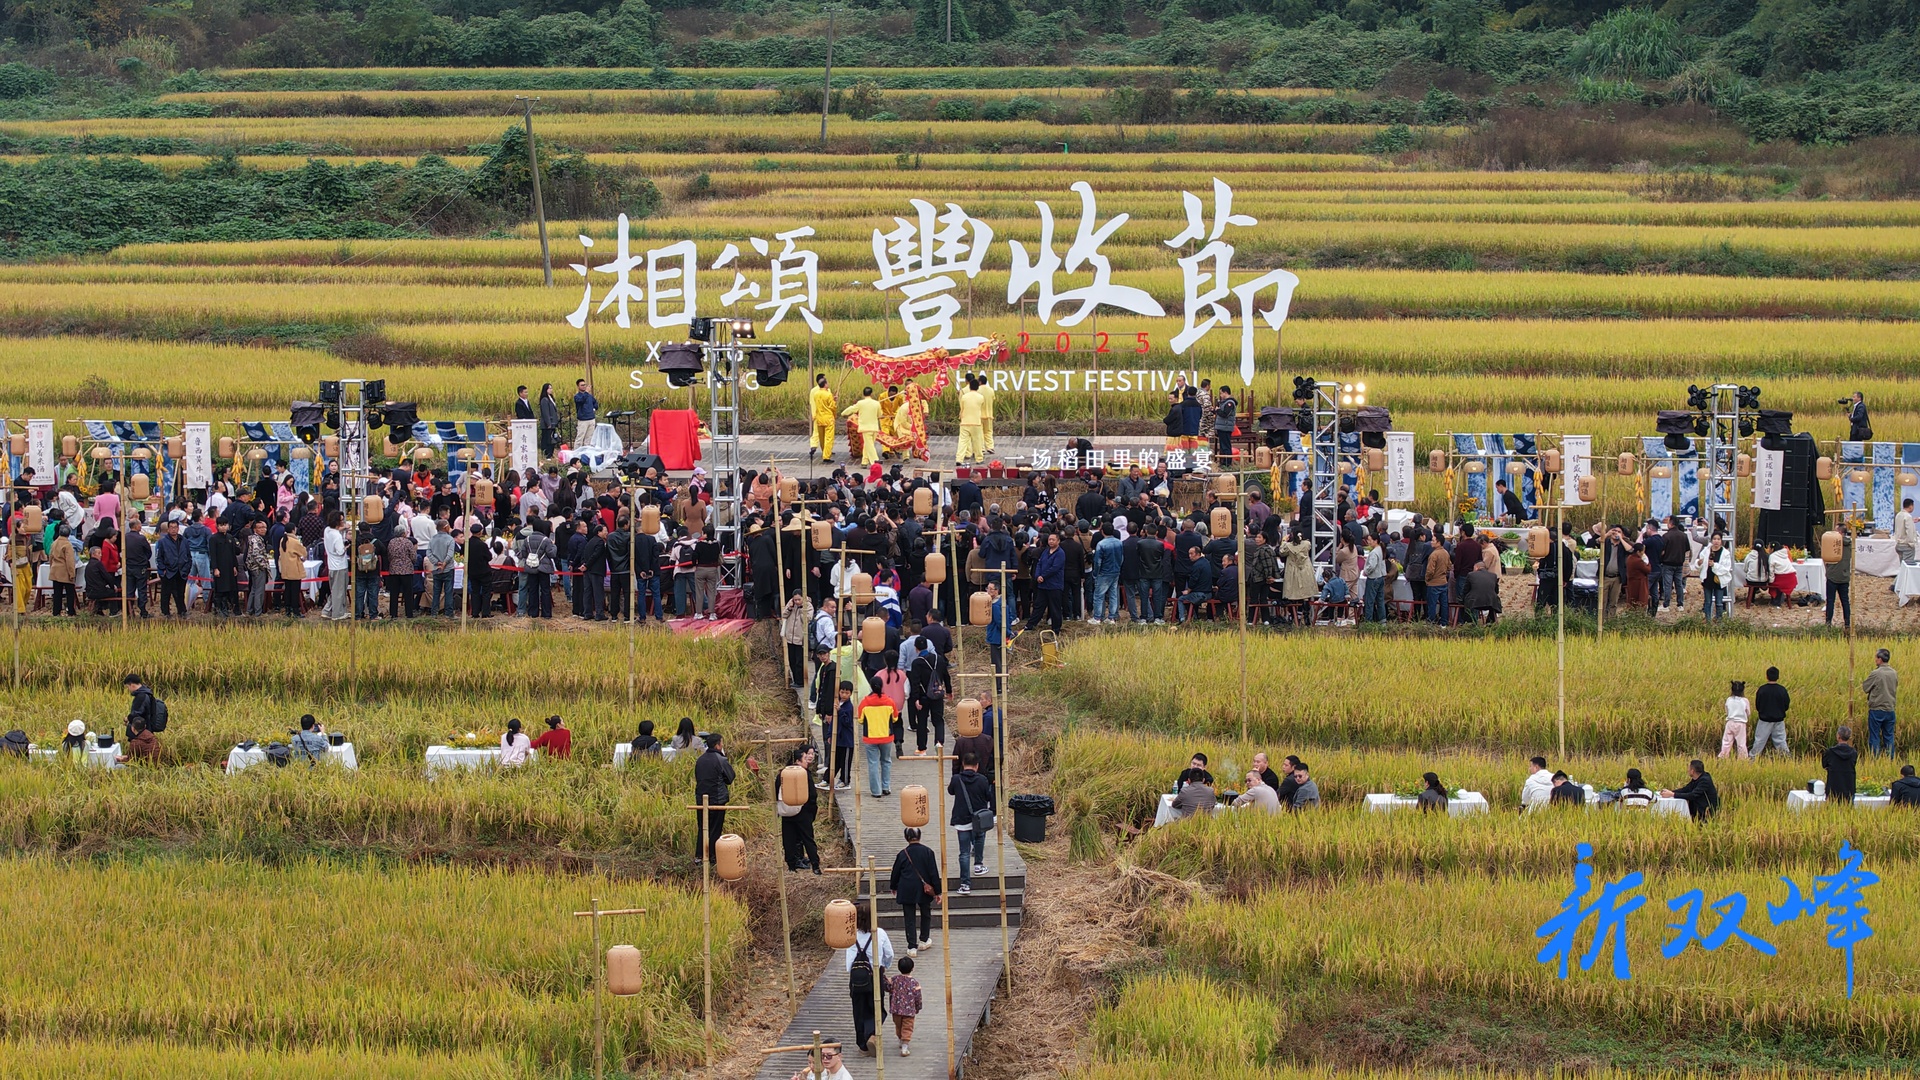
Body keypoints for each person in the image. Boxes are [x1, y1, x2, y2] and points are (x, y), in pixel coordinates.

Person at [845, 904, 894, 1056]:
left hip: (857, 977)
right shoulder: (879, 933)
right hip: (875, 974)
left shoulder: (851, 934)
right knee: (876, 1007)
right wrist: (884, 966)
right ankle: (872, 1033)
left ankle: (863, 1046)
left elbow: (849, 963)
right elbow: (889, 954)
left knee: (858, 1010)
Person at [888, 827, 942, 957]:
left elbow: (895, 872)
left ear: (906, 838)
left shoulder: (903, 853)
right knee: (925, 913)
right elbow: (933, 873)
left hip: (906, 888)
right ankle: (924, 940)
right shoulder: (928, 852)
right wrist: (938, 892)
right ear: (920, 836)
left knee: (909, 917)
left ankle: (912, 946)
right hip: (924, 888)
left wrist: (893, 886)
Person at [949, 752, 993, 894]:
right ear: (977, 765)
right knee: (979, 838)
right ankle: (978, 865)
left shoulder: (956, 779)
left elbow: (950, 791)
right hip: (978, 819)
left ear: (963, 764)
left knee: (964, 852)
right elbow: (988, 796)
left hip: (961, 820)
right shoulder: (982, 779)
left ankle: (965, 884)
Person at [693, 733, 735, 864]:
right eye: (721, 743)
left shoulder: (700, 760)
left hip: (701, 799)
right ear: (717, 745)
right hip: (717, 799)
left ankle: (699, 856)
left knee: (703, 827)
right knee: (715, 828)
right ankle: (712, 856)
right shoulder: (721, 760)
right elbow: (730, 777)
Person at [780, 746, 822, 873]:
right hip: (803, 812)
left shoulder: (782, 773)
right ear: (797, 761)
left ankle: (792, 865)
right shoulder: (803, 774)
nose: (807, 760)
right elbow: (812, 795)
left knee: (789, 839)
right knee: (807, 838)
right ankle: (815, 866)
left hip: (786, 811)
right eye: (805, 758)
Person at [859, 686, 897, 797]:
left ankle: (876, 791)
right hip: (886, 737)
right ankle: (886, 787)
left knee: (873, 763)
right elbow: (895, 718)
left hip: (870, 738)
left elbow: (860, 719)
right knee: (886, 761)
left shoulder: (865, 702)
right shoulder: (889, 701)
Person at [1864, 648, 1897, 756]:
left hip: (1877, 710)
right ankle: (1890, 759)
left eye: (1876, 657)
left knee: (1874, 736)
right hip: (1890, 709)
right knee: (1889, 736)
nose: (1875, 660)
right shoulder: (1894, 673)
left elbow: (1865, 688)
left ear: (1880, 659)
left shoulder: (1876, 673)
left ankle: (1875, 759)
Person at [889, 954, 923, 1058]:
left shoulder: (894, 979)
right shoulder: (914, 983)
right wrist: (918, 1007)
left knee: (898, 1026)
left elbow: (887, 986)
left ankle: (901, 1039)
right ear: (912, 968)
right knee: (907, 1028)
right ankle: (905, 1046)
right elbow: (918, 996)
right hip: (909, 1011)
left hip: (896, 1009)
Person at [1753, 667, 1790, 757]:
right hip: (1779, 720)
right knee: (1781, 740)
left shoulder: (1762, 689)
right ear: (1778, 677)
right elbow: (1786, 704)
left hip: (1764, 720)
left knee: (1759, 740)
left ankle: (1752, 759)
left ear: (1767, 676)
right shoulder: (1782, 690)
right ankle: (1786, 758)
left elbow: (1758, 704)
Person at [1695, 534, 1732, 622]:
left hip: (1719, 580)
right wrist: (1699, 563)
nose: (1716, 541)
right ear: (1711, 540)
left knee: (1719, 603)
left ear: (1721, 541)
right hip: (1708, 578)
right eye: (1714, 539)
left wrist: (1714, 565)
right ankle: (1708, 621)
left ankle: (1719, 621)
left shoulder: (1725, 553)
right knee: (1708, 602)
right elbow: (1699, 562)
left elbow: (1726, 568)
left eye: (1718, 539)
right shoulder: (1706, 550)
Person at [781, 593, 813, 690]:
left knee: (800, 661)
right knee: (792, 660)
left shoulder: (808, 606)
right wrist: (790, 608)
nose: (797, 602)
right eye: (795, 600)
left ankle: (800, 681)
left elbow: (807, 619)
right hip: (790, 637)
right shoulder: (791, 604)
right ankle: (796, 680)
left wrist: (802, 609)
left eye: (799, 599)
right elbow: (784, 615)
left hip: (800, 637)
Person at [1826, 522, 1854, 627]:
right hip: (1845, 576)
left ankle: (1828, 622)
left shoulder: (1833, 543)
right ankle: (1847, 623)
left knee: (1830, 601)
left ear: (1840, 532)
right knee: (1845, 601)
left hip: (1833, 576)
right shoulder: (1850, 543)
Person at [1824, 726, 1858, 804]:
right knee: (1848, 809)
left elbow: (1825, 765)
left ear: (1838, 736)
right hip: (1849, 786)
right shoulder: (1853, 752)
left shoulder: (1830, 752)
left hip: (1833, 786)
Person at [808, 374, 837, 464]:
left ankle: (823, 451)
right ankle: (826, 456)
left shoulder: (816, 394)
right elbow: (832, 407)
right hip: (828, 418)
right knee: (828, 438)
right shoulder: (828, 394)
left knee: (821, 437)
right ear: (825, 384)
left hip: (819, 418)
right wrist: (835, 402)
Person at [1463, 557, 1501, 625]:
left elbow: (1466, 590)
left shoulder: (1471, 575)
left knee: (1468, 600)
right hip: (1491, 602)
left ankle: (1471, 622)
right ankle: (1490, 622)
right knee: (1494, 600)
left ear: (1476, 567)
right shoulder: (1493, 575)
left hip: (1474, 601)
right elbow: (1496, 591)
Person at [1719, 680, 1751, 760]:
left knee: (1726, 741)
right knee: (1741, 743)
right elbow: (1748, 712)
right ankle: (1743, 759)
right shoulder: (1745, 701)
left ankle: (1723, 757)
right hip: (1741, 724)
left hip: (1730, 722)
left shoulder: (1729, 699)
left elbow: (1727, 711)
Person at [787, 1043, 852, 1080]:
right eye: (809, 1062)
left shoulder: (829, 1075)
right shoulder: (807, 1072)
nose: (811, 1066)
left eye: (815, 1063)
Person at [573, 378, 598, 447]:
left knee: (589, 439)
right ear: (578, 386)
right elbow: (581, 400)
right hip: (583, 420)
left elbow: (595, 403)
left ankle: (587, 453)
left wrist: (593, 409)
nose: (584, 386)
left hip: (591, 418)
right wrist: (586, 392)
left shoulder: (590, 396)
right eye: (582, 385)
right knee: (580, 438)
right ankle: (577, 454)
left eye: (585, 385)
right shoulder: (577, 396)